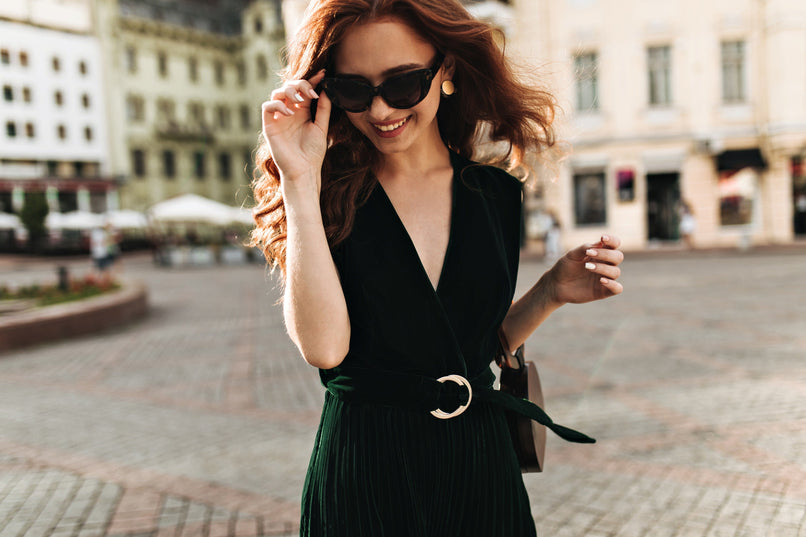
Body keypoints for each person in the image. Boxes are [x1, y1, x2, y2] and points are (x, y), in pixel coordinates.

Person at [251, 1, 624, 535]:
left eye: (402, 84)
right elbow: (324, 349)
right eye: (354, 90)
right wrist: (298, 183)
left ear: (445, 67)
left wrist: (550, 292)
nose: (380, 111)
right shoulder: (324, 196)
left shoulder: (495, 194)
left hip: (480, 462)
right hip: (366, 468)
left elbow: (467, 344)